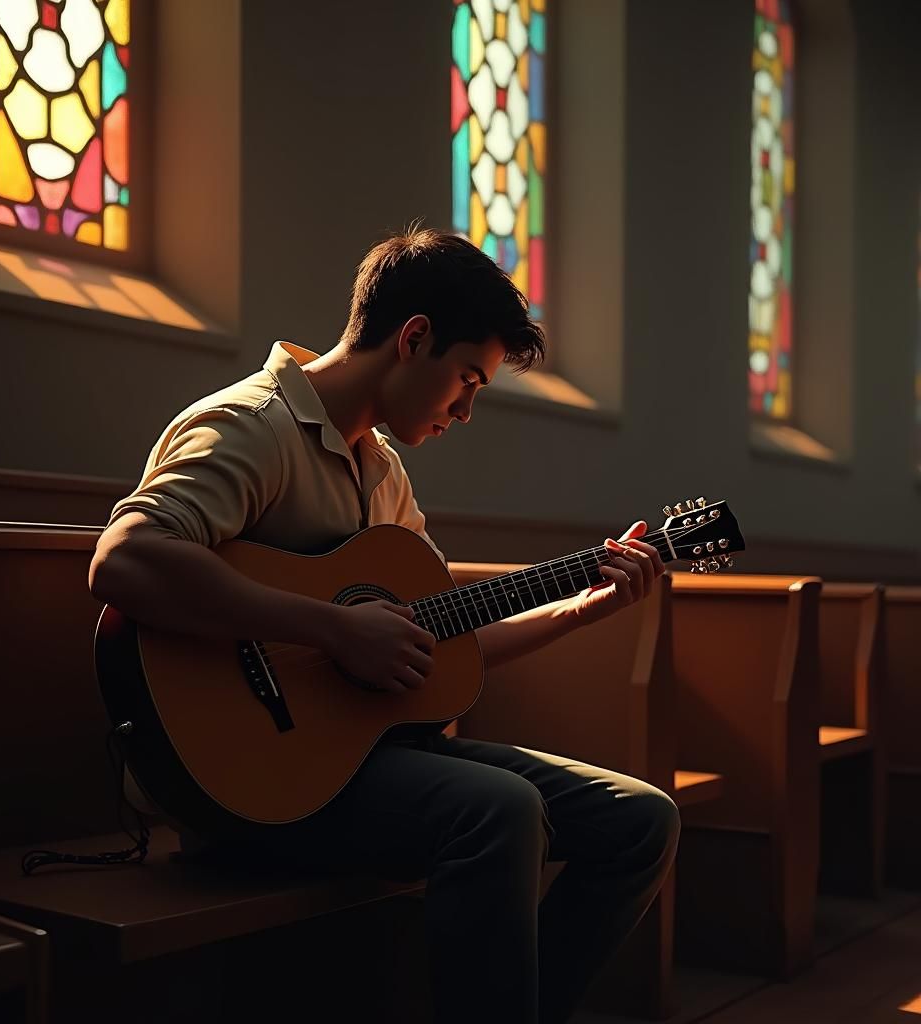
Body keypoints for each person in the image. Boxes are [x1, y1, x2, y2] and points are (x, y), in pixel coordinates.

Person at [89, 226, 680, 1024]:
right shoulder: (251, 426)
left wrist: (580, 607)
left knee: (640, 819)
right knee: (500, 810)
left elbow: (440, 640)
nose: (465, 410)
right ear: (414, 338)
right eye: (467, 379)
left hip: (358, 758)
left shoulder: (382, 469)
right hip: (240, 780)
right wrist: (332, 630)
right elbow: (126, 559)